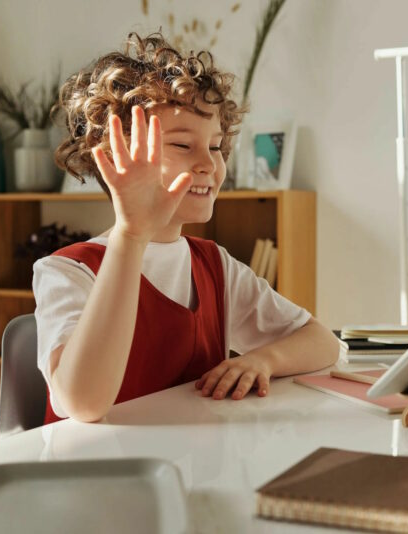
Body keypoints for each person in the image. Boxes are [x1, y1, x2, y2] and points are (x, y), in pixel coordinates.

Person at [33, 32, 339, 424]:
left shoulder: (214, 265)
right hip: (96, 477)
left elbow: (322, 342)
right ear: (115, 158)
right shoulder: (65, 273)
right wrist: (131, 234)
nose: (209, 165)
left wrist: (263, 359)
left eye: (215, 147)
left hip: (189, 469)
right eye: (182, 146)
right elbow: (84, 403)